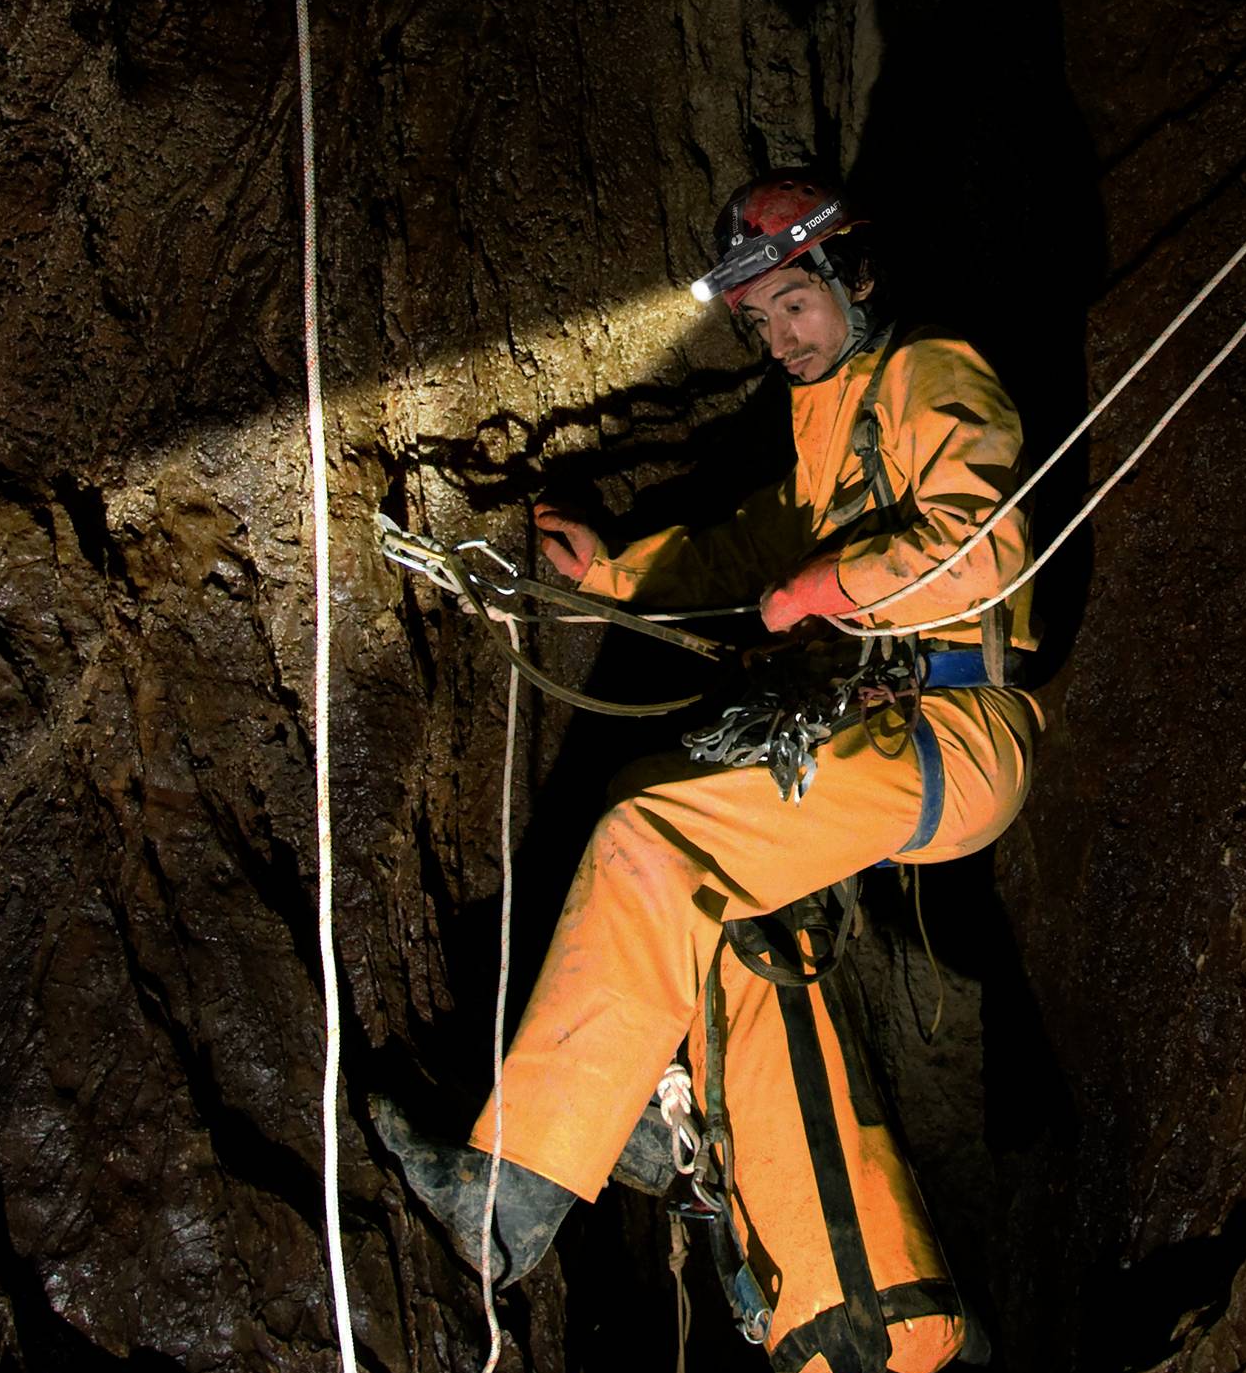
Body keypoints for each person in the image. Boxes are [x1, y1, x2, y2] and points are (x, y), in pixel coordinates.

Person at [387, 171, 1042, 1278]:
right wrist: (613, 574)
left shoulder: (931, 371)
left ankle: (510, 1203)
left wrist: (827, 586)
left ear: (855, 276)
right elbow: (755, 547)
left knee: (653, 843)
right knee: (641, 796)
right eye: (759, 319)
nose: (779, 335)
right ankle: (640, 1102)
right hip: (888, 718)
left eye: (794, 302)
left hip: (956, 723)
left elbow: (984, 547)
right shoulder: (827, 409)